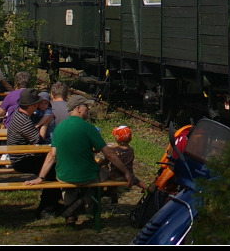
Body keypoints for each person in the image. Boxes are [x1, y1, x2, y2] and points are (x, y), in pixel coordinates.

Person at [23, 95, 144, 226]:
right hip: (87, 175)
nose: (88, 109)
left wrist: (40, 177)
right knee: (102, 173)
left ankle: (70, 212)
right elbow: (109, 154)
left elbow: (51, 155)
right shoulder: (89, 128)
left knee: (67, 183)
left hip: (64, 175)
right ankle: (90, 207)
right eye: (86, 106)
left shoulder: (58, 128)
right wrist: (126, 172)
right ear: (78, 109)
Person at [6, 88, 60, 218]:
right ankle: (46, 208)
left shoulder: (23, 115)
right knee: (52, 170)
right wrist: (46, 124)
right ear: (32, 106)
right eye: (37, 103)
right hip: (21, 159)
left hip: (25, 155)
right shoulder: (23, 120)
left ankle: (51, 202)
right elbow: (38, 140)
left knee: (53, 165)